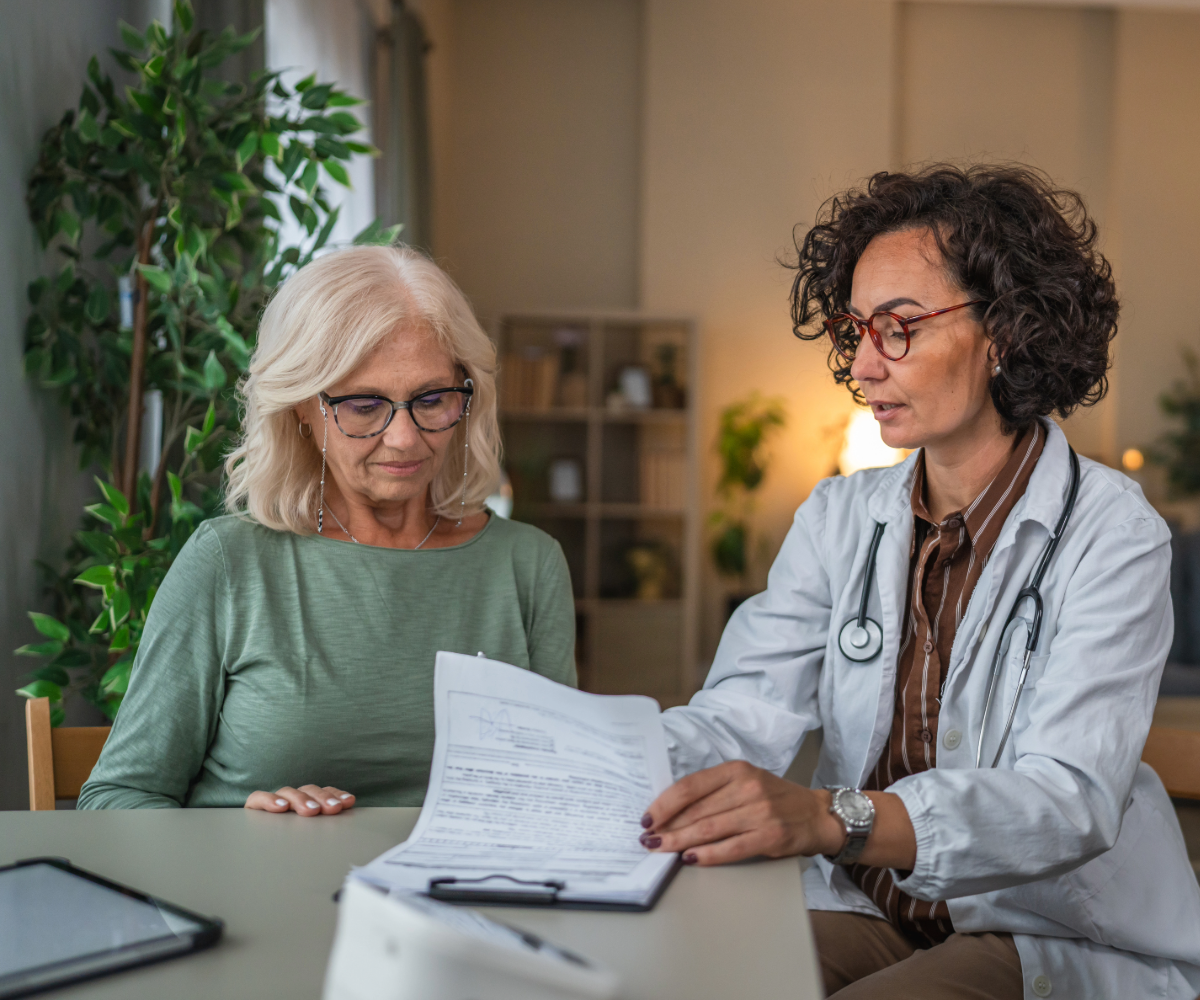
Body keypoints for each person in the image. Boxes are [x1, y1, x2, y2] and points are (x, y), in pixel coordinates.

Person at [641, 166, 1200, 997]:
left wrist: (836, 817)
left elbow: (1068, 800)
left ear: (1006, 332)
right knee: (680, 977)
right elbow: (740, 714)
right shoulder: (837, 517)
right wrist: (600, 766)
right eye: (855, 330)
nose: (863, 366)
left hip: (1035, 923)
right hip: (870, 907)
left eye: (898, 328)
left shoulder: (1114, 534)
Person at [79, 246, 576, 813]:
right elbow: (117, 799)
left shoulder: (529, 567)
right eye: (364, 405)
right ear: (299, 408)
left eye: (432, 399)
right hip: (258, 899)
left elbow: (557, 797)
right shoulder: (229, 562)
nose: (405, 439)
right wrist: (243, 834)